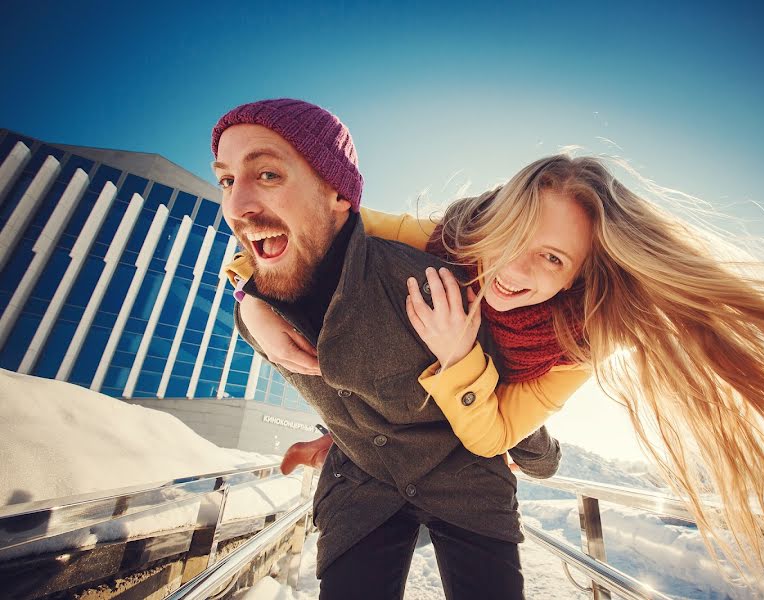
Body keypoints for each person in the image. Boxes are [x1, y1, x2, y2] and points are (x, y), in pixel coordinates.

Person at [231, 150, 764, 593]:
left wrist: (461, 357)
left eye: (552, 259)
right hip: (370, 467)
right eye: (514, 237)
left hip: (472, 467)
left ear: (582, 273)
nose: (517, 269)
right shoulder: (434, 242)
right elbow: (305, 232)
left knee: (531, 455)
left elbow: (492, 437)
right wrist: (249, 294)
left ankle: (544, 448)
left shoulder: (579, 344)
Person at [212, 98, 562, 600]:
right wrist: (249, 300)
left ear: (337, 192)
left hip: (467, 482)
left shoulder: (422, 283)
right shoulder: (262, 314)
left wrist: (540, 458)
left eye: (268, 174)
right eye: (226, 180)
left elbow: (499, 378)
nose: (236, 204)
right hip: (361, 488)